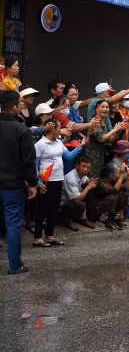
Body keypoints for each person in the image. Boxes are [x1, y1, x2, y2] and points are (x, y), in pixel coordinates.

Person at [0, 91, 37, 274]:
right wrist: (32, 183)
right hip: (12, 185)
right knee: (13, 224)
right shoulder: (22, 129)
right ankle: (15, 265)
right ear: (15, 107)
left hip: (9, 184)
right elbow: (28, 161)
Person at [32, 120, 85, 247]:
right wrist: (38, 182)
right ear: (52, 129)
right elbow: (34, 165)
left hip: (58, 180)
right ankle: (37, 238)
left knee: (54, 209)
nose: (61, 130)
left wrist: (81, 146)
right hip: (46, 181)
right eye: (59, 128)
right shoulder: (40, 144)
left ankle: (50, 236)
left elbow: (68, 156)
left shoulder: (59, 143)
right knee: (42, 210)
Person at [85, 99, 127, 179]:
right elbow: (101, 138)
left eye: (107, 107)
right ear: (97, 109)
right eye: (102, 107)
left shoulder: (105, 122)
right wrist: (114, 130)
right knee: (91, 179)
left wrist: (118, 132)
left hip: (101, 156)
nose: (105, 109)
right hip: (92, 156)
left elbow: (110, 141)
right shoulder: (94, 121)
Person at [60, 154, 98, 230]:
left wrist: (93, 181)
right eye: (83, 166)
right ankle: (67, 220)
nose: (86, 169)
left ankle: (83, 219)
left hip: (71, 202)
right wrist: (89, 186)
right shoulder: (71, 178)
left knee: (92, 190)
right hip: (62, 206)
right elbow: (77, 199)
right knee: (81, 204)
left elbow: (88, 181)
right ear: (77, 166)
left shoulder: (81, 174)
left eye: (88, 167)